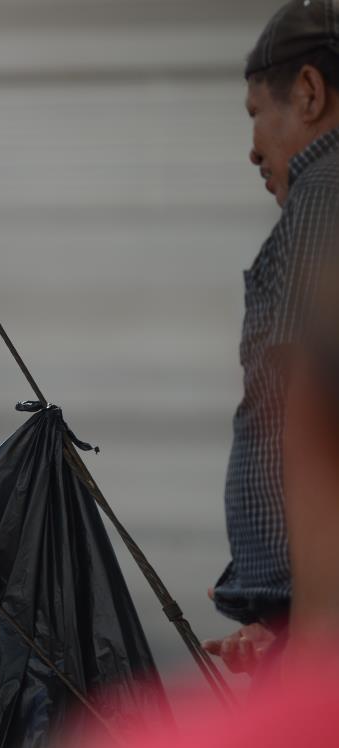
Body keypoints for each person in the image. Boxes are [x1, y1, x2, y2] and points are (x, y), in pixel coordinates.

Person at [204, 0, 339, 673]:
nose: (252, 147)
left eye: (258, 111)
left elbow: (308, 412)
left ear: (309, 93)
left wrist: (311, 640)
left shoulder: (324, 192)